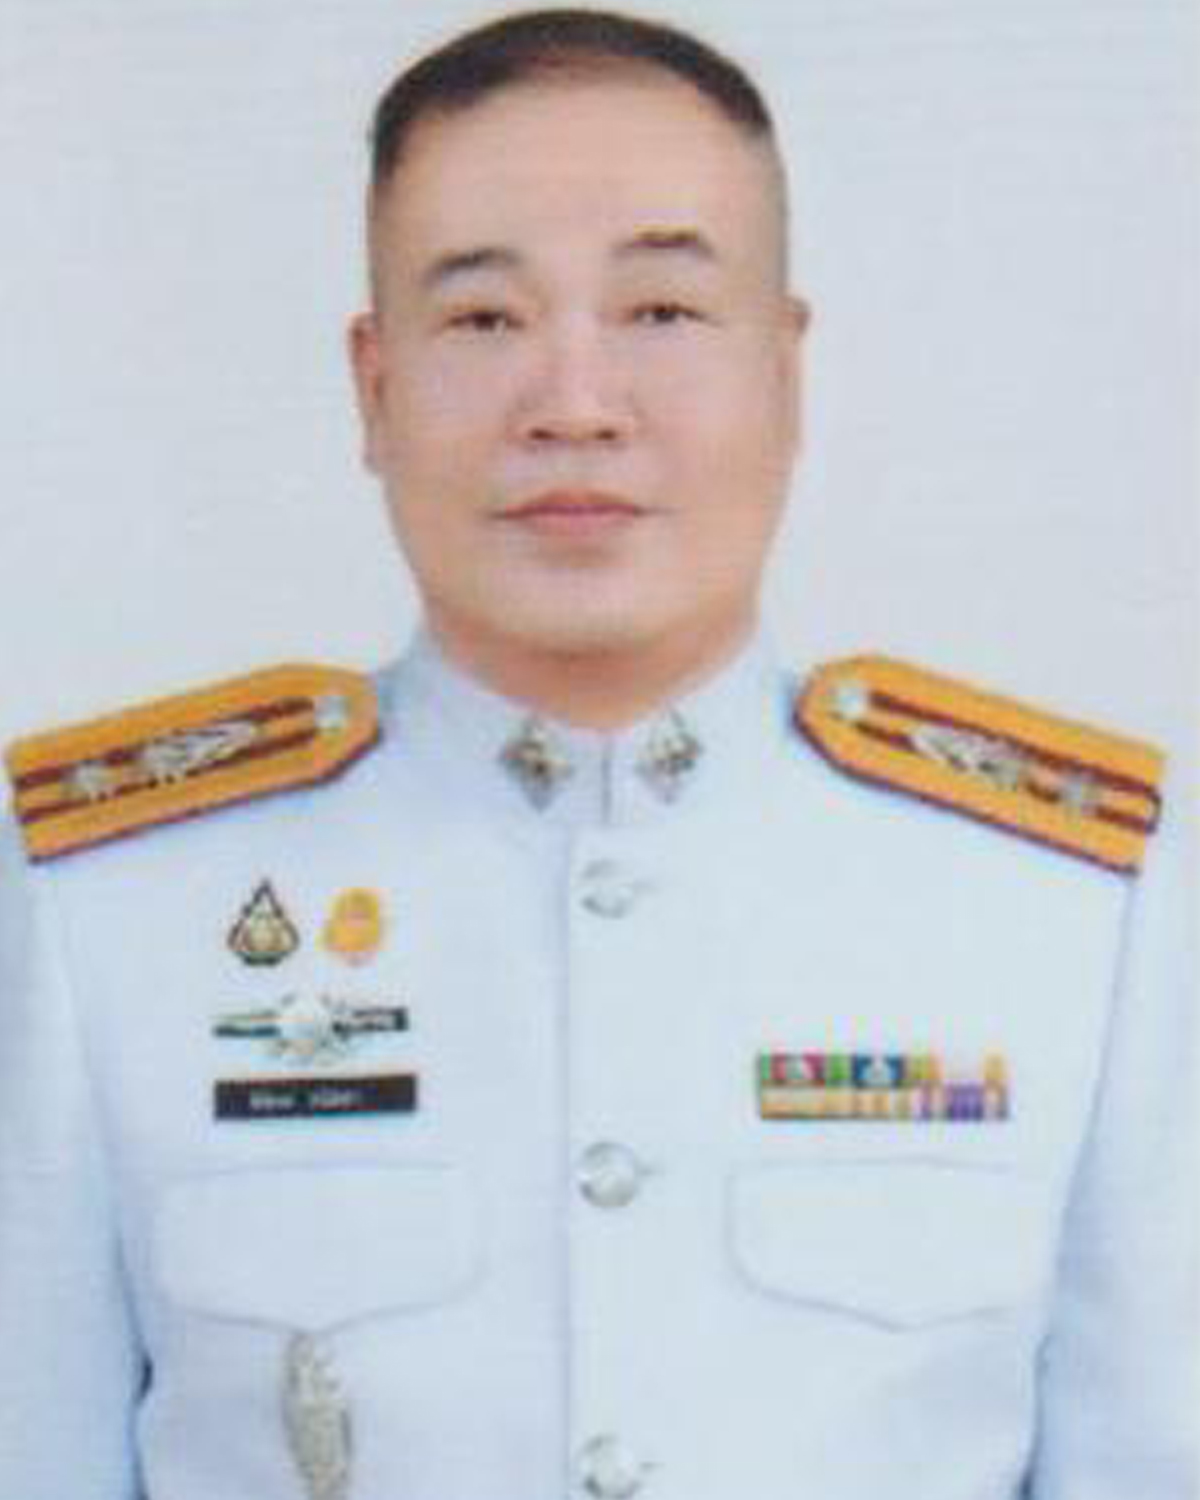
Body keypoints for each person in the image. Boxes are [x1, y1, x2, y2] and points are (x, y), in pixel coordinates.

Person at [0, 8, 1193, 1499]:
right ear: (375, 386)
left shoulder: (1071, 908)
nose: (573, 405)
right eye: (484, 321)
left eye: (662, 312)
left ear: (786, 371)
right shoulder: (104, 904)